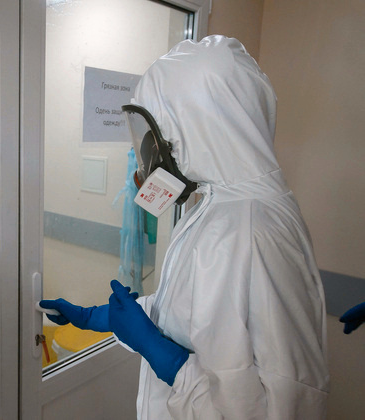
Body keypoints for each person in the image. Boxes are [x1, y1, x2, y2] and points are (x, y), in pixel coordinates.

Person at [40, 35, 329, 419]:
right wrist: (99, 317)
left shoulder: (254, 229)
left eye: (156, 136)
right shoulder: (217, 208)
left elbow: (280, 408)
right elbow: (194, 318)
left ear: (198, 128)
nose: (150, 153)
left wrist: (162, 355)